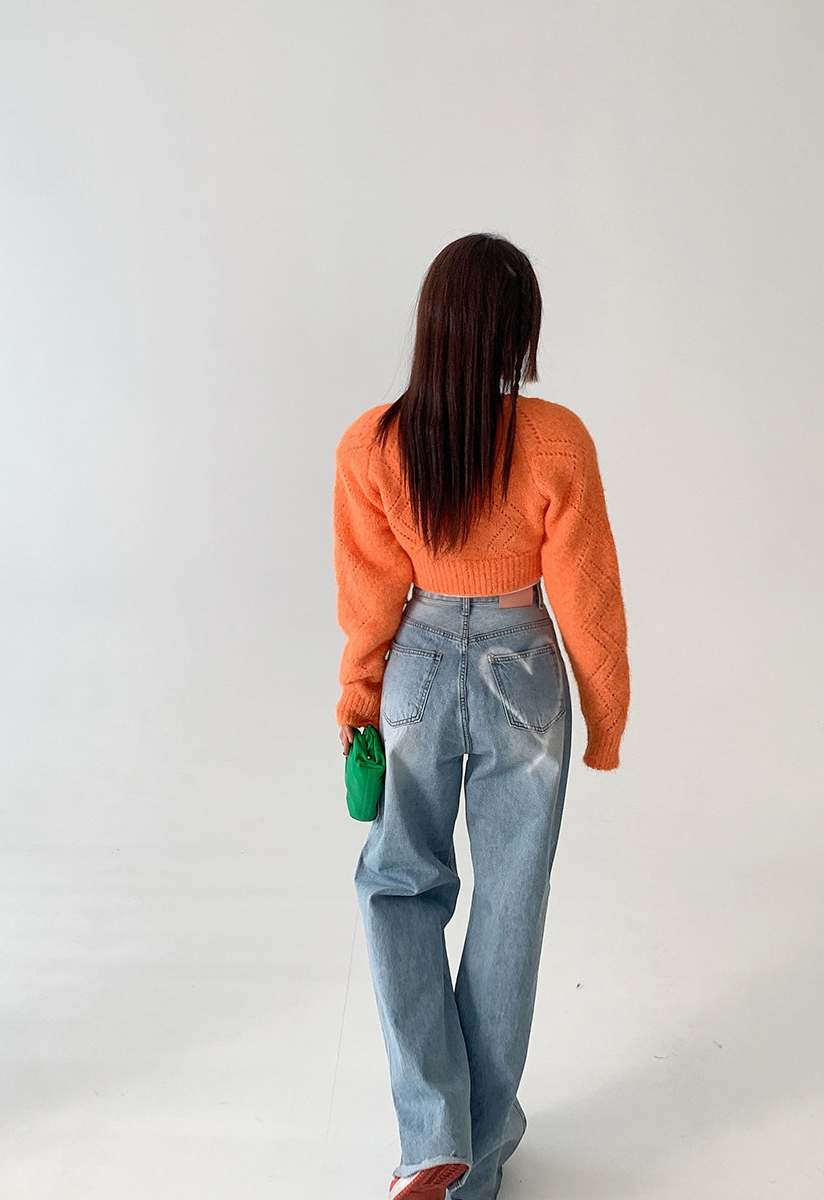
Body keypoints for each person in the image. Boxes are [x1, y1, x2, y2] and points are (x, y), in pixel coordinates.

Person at [332, 232, 630, 1200]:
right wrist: (606, 714)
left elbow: (370, 596)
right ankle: (479, 1155)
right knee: (511, 901)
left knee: (398, 884)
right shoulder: (557, 440)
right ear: (518, 331)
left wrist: (360, 698)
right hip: (523, 666)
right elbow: (586, 595)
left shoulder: (372, 444)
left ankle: (433, 1140)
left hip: (416, 663)